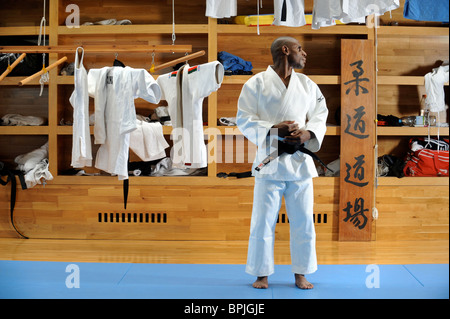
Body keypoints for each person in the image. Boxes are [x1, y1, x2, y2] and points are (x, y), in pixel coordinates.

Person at [236, 36, 328, 289]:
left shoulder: (307, 84)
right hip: (270, 161)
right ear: (285, 50)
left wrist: (308, 134)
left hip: (299, 161)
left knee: (303, 221)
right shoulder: (255, 83)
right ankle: (261, 274)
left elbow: (321, 114)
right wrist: (273, 128)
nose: (304, 53)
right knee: (263, 221)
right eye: (300, 49)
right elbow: (243, 118)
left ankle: (302, 273)